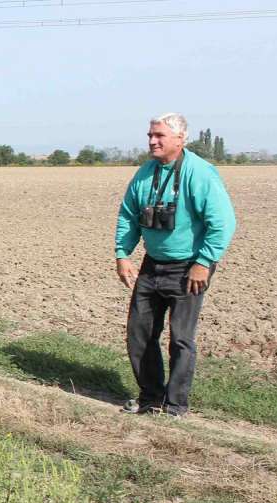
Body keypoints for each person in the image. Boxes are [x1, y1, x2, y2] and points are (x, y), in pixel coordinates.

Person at [114, 112, 236, 417]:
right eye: (150, 136)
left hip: (189, 268)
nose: (152, 141)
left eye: (160, 136)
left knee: (181, 338)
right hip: (152, 264)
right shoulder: (145, 173)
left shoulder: (200, 173)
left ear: (180, 139)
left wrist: (204, 262)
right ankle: (150, 397)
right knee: (139, 333)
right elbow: (129, 215)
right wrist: (122, 254)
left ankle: (175, 405)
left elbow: (222, 223)